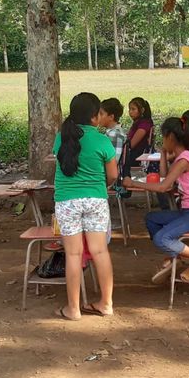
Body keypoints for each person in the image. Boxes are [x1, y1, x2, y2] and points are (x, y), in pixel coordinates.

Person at [125, 118, 189, 283]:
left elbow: (162, 186)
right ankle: (173, 256)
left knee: (162, 238)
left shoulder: (184, 160)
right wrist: (163, 154)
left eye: (163, 137)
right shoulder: (182, 157)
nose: (162, 140)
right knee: (151, 219)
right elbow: (165, 177)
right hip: (188, 211)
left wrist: (132, 183)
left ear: (171, 138)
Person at [52, 93, 117, 320]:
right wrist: (100, 184)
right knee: (100, 252)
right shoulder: (102, 140)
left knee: (72, 253)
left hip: (66, 201)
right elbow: (113, 176)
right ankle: (106, 304)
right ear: (94, 116)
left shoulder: (61, 137)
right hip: (96, 200)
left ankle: (73, 309)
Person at [122, 97, 154, 177]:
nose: (130, 112)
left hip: (136, 156)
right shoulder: (138, 123)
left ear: (142, 110)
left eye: (133, 109)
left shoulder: (144, 125)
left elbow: (132, 144)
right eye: (129, 109)